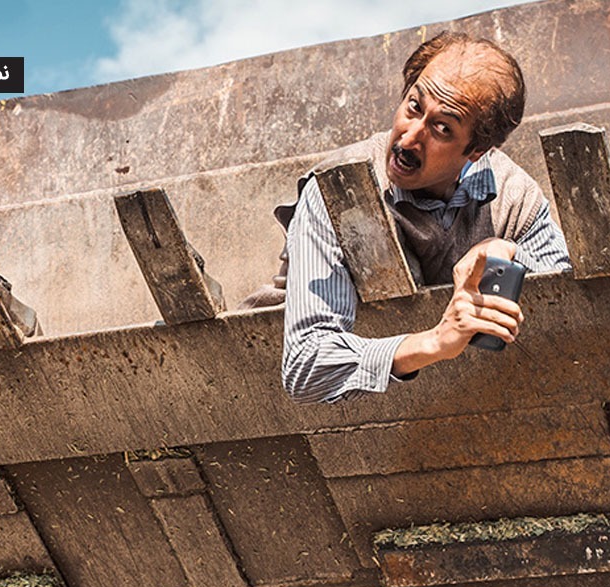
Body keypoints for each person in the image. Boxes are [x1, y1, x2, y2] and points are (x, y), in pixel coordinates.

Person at [242, 31, 571, 403]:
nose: (409, 139)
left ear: (476, 151)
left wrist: (506, 253)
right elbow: (306, 367)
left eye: (442, 128)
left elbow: (572, 294)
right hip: (260, 384)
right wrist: (435, 341)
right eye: (414, 107)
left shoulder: (513, 196)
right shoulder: (337, 191)